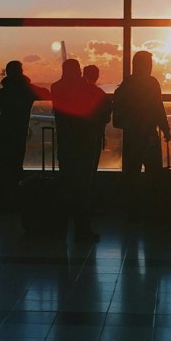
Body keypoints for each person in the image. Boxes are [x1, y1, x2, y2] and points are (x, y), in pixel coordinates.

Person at [51, 59, 99, 241]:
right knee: (82, 188)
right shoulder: (85, 88)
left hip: (65, 143)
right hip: (84, 143)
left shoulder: (56, 87)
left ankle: (60, 226)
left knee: (65, 185)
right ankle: (82, 230)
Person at [0, 61, 50, 198]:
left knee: (5, 166)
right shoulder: (26, 91)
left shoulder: (3, 92)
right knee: (16, 165)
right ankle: (15, 196)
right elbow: (46, 94)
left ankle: (5, 196)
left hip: (3, 132)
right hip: (19, 132)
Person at [113, 50, 170, 176]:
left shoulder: (126, 85)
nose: (150, 67)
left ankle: (133, 195)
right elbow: (158, 108)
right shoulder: (152, 83)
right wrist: (165, 128)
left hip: (132, 136)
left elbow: (118, 117)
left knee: (131, 172)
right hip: (149, 134)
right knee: (154, 172)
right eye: (148, 64)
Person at [83, 64, 111, 176]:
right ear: (97, 76)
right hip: (95, 134)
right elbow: (107, 117)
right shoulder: (101, 94)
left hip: (77, 135)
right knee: (92, 166)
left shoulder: (76, 93)